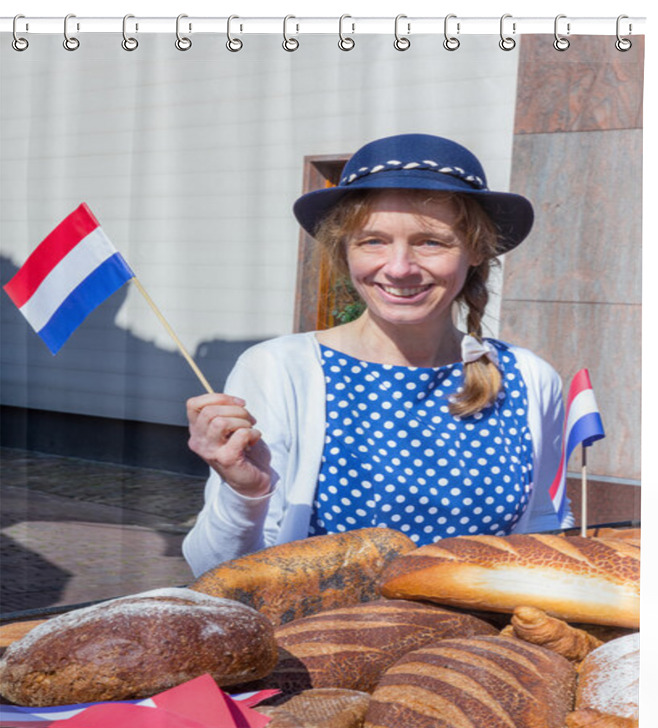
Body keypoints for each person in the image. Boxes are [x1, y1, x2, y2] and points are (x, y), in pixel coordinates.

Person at [182, 133, 572, 577]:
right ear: (344, 249)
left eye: (431, 242)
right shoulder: (279, 370)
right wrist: (244, 493)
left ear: (477, 250)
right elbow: (215, 572)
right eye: (373, 241)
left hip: (478, 643)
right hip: (321, 643)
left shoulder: (527, 377)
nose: (400, 267)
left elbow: (546, 527)